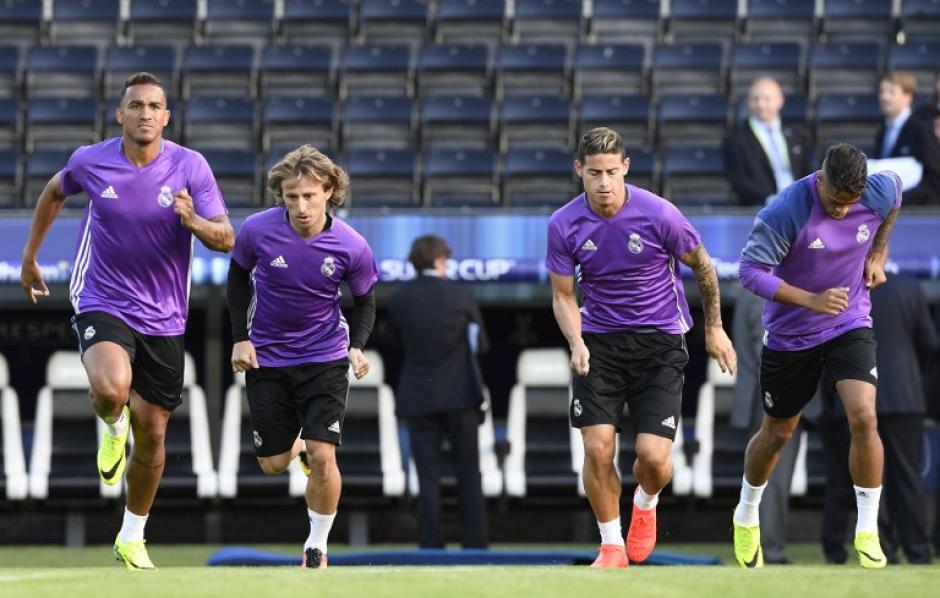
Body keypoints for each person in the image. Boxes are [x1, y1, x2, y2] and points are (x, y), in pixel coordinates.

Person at [19, 72, 233, 570]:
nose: (144, 113)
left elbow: (227, 238)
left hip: (164, 315)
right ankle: (113, 424)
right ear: (120, 114)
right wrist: (31, 256)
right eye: (135, 105)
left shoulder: (190, 167)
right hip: (101, 295)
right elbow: (54, 192)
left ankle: (132, 536)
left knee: (155, 433)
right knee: (114, 389)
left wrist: (194, 221)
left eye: (154, 106)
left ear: (166, 117)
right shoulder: (90, 160)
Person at [546, 127, 737, 568]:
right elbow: (562, 295)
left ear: (626, 167)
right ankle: (611, 545)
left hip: (660, 343)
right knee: (597, 449)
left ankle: (646, 502)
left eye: (612, 171)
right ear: (580, 171)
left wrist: (714, 328)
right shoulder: (564, 223)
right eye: (594, 173)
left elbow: (703, 266)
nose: (604, 183)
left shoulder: (660, 214)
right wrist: (575, 341)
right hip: (599, 344)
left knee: (651, 459)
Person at [732, 143, 901, 569]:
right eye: (834, 202)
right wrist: (811, 300)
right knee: (777, 435)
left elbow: (896, 193)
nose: (842, 212)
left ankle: (867, 528)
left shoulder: (875, 193)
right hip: (791, 336)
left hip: (849, 323)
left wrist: (878, 252)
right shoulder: (787, 209)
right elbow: (749, 273)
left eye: (850, 203)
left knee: (863, 415)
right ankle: (746, 511)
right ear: (820, 179)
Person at [227, 145, 378, 570]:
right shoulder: (257, 230)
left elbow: (365, 301)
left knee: (325, 452)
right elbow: (237, 279)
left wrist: (357, 345)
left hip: (325, 357)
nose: (301, 206)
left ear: (329, 192)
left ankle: (316, 545)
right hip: (268, 358)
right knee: (273, 464)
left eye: (310, 196)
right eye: (292, 197)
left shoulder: (352, 245)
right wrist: (241, 338)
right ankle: (299, 447)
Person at [820, 273, 938, 564]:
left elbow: (823, 345)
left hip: (851, 397)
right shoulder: (909, 288)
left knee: (865, 479)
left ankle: (881, 547)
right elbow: (930, 344)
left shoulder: (836, 289)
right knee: (908, 478)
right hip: (903, 397)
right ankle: (918, 550)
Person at [386, 235, 489, 549]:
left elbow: (395, 344)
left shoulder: (399, 299)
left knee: (427, 476)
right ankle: (475, 543)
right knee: (468, 472)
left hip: (418, 397)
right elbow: (481, 344)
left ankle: (430, 544)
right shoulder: (461, 295)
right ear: (440, 260)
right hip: (460, 396)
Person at [729, 289, 800, 564]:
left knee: (760, 478)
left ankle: (759, 545)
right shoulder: (772, 293)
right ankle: (768, 549)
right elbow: (770, 352)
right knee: (773, 480)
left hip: (758, 396)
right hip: (775, 396)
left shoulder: (749, 292)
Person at [723, 76, 812, 206]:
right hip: (761, 210)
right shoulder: (736, 139)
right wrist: (770, 199)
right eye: (755, 99)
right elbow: (739, 180)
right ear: (748, 101)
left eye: (767, 99)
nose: (761, 105)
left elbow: (809, 170)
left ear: (780, 101)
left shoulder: (799, 134)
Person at [874, 71, 940, 205]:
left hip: (916, 215)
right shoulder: (882, 132)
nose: (884, 97)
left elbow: (934, 180)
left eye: (891, 92)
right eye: (882, 91)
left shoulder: (921, 130)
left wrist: (898, 199)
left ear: (908, 96)